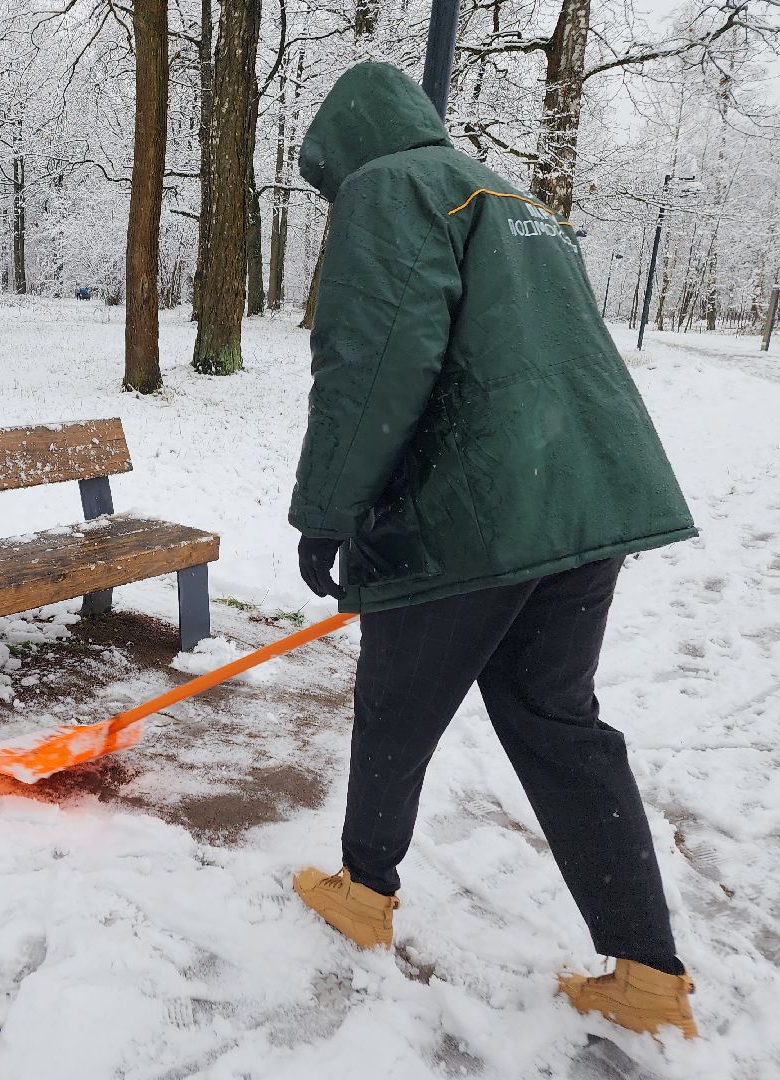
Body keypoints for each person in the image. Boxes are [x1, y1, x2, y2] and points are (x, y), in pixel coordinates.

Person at [288, 62, 699, 1040]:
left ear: (345, 146)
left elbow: (377, 356)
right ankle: (647, 972)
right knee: (558, 719)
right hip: (583, 495)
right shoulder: (508, 196)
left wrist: (327, 510)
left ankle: (363, 889)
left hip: (475, 505)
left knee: (396, 706)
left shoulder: (389, 188)